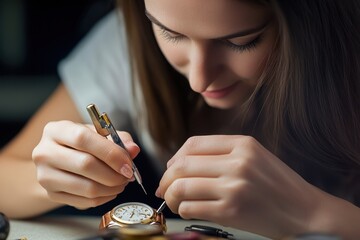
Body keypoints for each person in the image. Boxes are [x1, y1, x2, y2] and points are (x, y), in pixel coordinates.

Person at [0, 0, 359, 239]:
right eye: (171, 33)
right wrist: (49, 177)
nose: (199, 80)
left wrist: (313, 214)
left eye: (241, 41)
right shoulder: (125, 47)